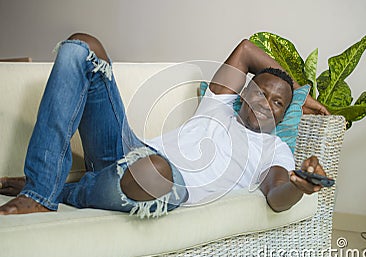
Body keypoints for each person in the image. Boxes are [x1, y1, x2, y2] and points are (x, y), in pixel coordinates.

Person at [0, 33, 329, 217]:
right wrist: (299, 89)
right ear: (243, 94)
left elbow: (276, 195)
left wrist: (297, 186)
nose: (266, 103)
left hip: (163, 184)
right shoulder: (218, 105)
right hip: (129, 151)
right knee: (84, 47)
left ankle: (54, 187)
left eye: (278, 103)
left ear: (284, 115)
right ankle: (40, 191)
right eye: (260, 93)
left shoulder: (274, 149)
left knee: (156, 171)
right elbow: (245, 49)